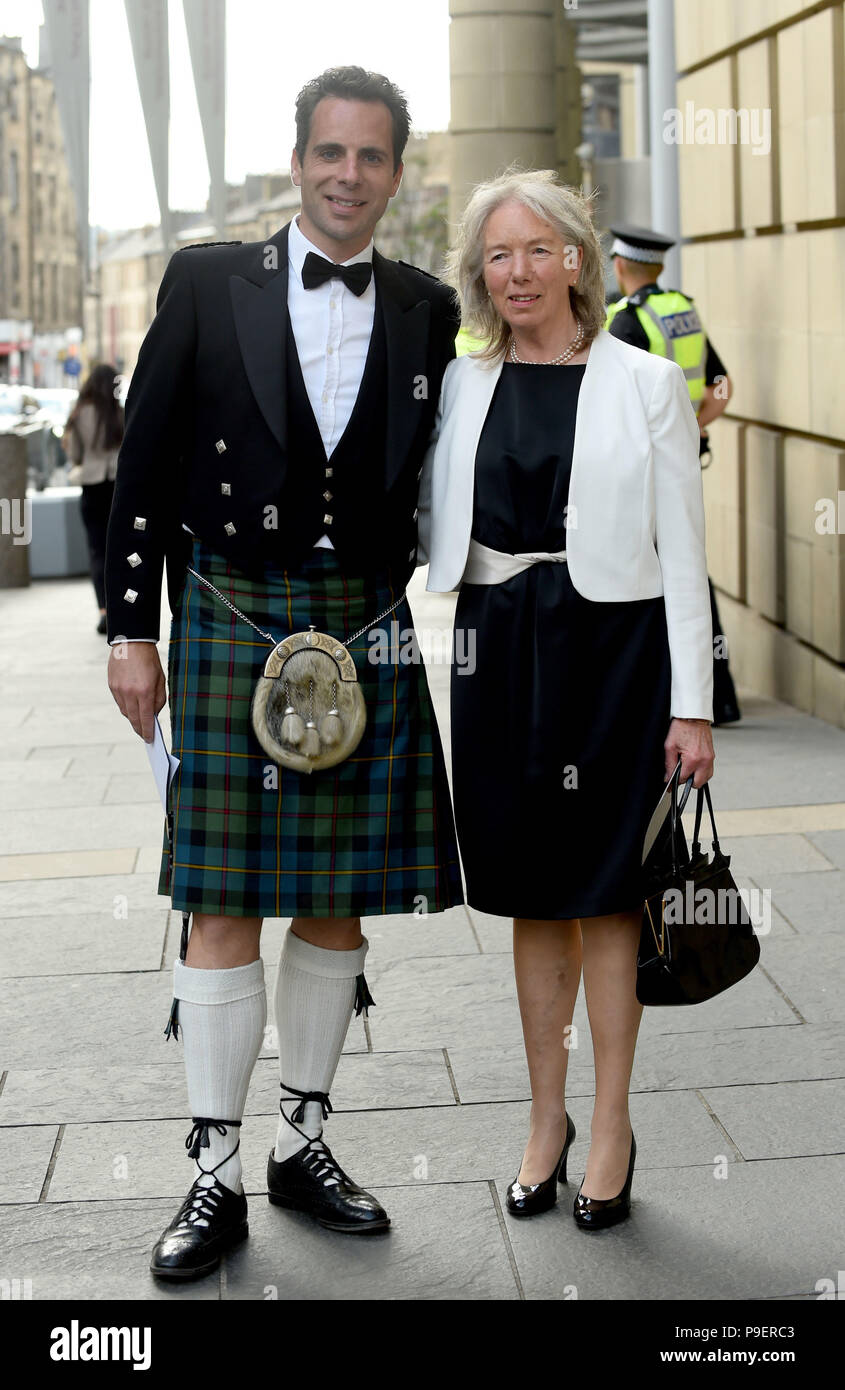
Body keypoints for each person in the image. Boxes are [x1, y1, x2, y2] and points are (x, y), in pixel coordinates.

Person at [104, 66, 463, 1280]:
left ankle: (302, 1142)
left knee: (334, 896)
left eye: (370, 157)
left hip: (357, 618)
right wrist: (126, 628)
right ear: (298, 158)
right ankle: (211, 1172)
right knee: (218, 903)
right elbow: (142, 462)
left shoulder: (425, 305)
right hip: (222, 605)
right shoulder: (208, 280)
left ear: (394, 174)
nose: (346, 176)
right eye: (328, 153)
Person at [419, 169, 715, 1230]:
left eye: (537, 250)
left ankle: (608, 1123)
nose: (517, 272)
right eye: (497, 255)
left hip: (612, 650)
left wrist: (691, 704)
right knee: (527, 890)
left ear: (577, 261)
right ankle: (542, 1121)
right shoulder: (457, 383)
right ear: (477, 274)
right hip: (495, 647)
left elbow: (684, 554)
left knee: (603, 893)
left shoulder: (645, 382)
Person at [606, 224, 741, 725]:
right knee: (689, 573)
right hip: (682, 465)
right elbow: (723, 386)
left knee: (651, 576)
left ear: (620, 266)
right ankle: (719, 696)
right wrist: (692, 431)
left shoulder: (626, 321)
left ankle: (663, 696)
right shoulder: (683, 312)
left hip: (644, 473)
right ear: (658, 266)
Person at [63, 364, 124, 633]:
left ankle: (103, 611)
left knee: (97, 551)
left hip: (91, 486)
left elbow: (74, 454)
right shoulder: (119, 412)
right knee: (119, 550)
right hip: (117, 487)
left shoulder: (78, 414)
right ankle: (122, 609)